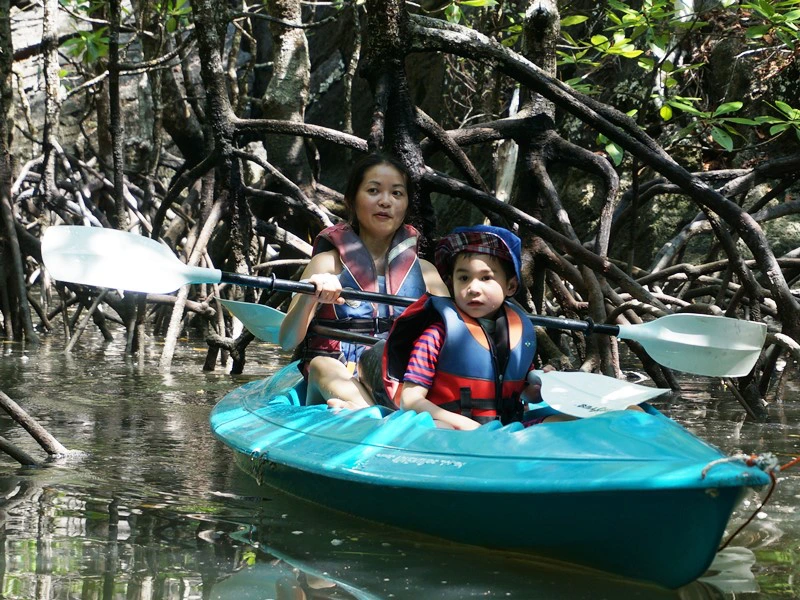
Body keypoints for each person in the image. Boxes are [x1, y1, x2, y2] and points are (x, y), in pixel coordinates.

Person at [278, 153, 449, 407]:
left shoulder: (425, 272)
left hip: (398, 378)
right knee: (322, 365)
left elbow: (457, 336)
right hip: (336, 375)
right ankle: (365, 413)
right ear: (351, 200)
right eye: (373, 191)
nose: (385, 202)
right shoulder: (327, 264)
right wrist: (309, 296)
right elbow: (287, 341)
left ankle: (369, 412)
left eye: (397, 194)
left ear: (406, 206)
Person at [382, 225, 564, 430]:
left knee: (564, 421)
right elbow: (410, 399)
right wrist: (465, 425)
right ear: (452, 284)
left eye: (486, 278)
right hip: (456, 430)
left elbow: (525, 392)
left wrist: (544, 387)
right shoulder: (436, 335)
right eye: (463, 278)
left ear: (511, 286)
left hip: (505, 428)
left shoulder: (519, 334)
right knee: (442, 428)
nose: (473, 288)